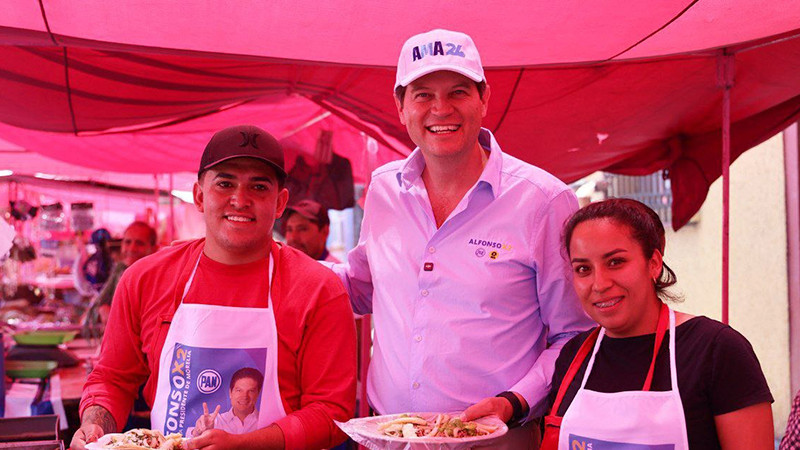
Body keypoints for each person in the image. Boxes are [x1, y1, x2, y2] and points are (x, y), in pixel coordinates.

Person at [331, 29, 593, 447]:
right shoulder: (383, 189)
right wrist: (272, 266)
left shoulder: (543, 200)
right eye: (422, 95)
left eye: (458, 91)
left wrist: (514, 401)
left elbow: (575, 335)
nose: (441, 109)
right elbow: (361, 286)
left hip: (496, 440)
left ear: (484, 98)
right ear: (400, 106)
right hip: (387, 437)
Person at [71, 125, 357, 450]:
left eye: (258, 187)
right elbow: (113, 377)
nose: (240, 199)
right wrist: (95, 424)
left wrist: (249, 443)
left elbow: (332, 412)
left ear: (279, 203)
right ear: (199, 196)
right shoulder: (144, 279)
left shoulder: (319, 289)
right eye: (225, 183)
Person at [545, 198, 773, 449]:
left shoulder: (717, 350)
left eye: (615, 262)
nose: (599, 284)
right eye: (583, 269)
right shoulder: (573, 357)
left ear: (653, 263)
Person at [85, 221, 157, 327]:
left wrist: (114, 316)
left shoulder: (155, 277)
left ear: (154, 249)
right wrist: (103, 308)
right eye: (128, 242)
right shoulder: (120, 270)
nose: (131, 249)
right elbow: (98, 305)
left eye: (139, 243)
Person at [192, 367, 264, 436]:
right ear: (230, 393)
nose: (244, 396)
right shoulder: (214, 422)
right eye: (239, 390)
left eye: (251, 391)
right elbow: (187, 441)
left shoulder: (266, 424)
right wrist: (198, 432)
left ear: (258, 393)